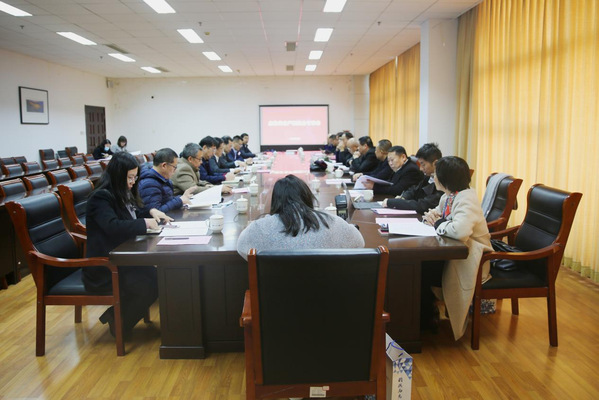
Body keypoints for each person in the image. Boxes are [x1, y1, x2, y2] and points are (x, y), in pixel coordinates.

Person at [84, 152, 173, 337]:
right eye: (130, 177)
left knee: (158, 278)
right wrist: (144, 224)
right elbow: (112, 226)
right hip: (105, 265)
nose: (133, 182)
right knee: (149, 284)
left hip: (122, 257)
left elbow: (132, 215)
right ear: (117, 176)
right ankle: (119, 324)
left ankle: (115, 317)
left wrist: (152, 212)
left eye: (135, 177)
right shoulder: (101, 197)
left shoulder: (121, 192)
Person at [421, 156, 492, 340]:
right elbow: (435, 214)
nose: (434, 178)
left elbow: (460, 231)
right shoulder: (449, 196)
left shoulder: (466, 199)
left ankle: (426, 317)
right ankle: (426, 315)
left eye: (436, 175)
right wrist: (432, 218)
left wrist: (438, 223)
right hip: (456, 253)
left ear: (445, 179)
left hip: (472, 261)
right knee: (421, 266)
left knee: (421, 269)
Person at [237, 175, 364, 260]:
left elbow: (241, 247)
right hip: (328, 292)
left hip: (276, 293)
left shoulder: (259, 227)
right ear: (307, 197)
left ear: (276, 201)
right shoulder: (332, 221)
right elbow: (359, 243)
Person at [382, 143, 444, 214]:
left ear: (435, 163)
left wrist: (394, 203)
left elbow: (423, 205)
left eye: (423, 164)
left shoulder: (443, 182)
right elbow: (414, 189)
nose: (420, 169)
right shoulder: (428, 176)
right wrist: (404, 197)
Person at [138, 147, 196, 213]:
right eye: (174, 167)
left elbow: (167, 200)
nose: (175, 170)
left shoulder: (162, 178)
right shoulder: (149, 184)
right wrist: (179, 200)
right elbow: (156, 212)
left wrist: (182, 197)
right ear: (164, 166)